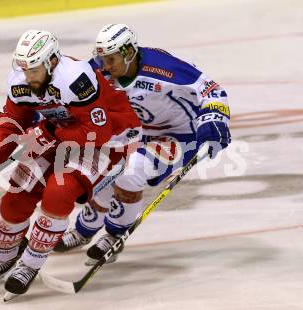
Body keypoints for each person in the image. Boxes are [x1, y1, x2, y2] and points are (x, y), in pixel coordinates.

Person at [0, 29, 141, 300]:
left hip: (110, 139)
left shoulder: (77, 79)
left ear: (52, 62)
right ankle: (4, 255)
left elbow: (97, 131)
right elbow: (10, 122)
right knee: (16, 195)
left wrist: (52, 133)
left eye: (33, 69)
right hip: (62, 132)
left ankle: (30, 264)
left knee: (58, 192)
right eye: (23, 68)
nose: (27, 76)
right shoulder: (22, 81)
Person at [54, 24, 231, 265]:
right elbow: (71, 77)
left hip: (177, 138)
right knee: (102, 172)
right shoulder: (102, 68)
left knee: (129, 173)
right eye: (101, 58)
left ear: (128, 53)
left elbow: (211, 90)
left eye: (111, 59)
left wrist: (213, 122)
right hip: (134, 133)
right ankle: (85, 229)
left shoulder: (164, 68)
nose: (105, 66)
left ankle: (114, 235)